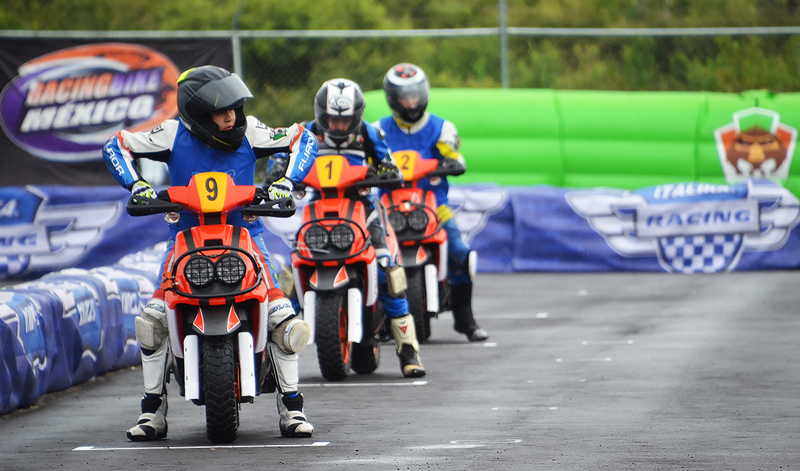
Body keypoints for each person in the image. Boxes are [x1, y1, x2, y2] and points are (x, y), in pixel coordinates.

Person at [101, 65, 318, 441]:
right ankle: (152, 412)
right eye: (220, 110)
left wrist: (287, 181)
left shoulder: (251, 131)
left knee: (284, 318)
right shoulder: (171, 134)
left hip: (248, 238)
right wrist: (136, 184)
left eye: (234, 107)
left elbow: (304, 138)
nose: (231, 115)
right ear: (197, 114)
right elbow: (115, 145)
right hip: (184, 241)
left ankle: (292, 407)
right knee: (151, 325)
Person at [275, 78, 426, 378]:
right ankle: (274, 352)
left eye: (345, 120)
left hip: (362, 208)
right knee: (290, 274)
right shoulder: (306, 133)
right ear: (320, 114)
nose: (339, 125)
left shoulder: (370, 133)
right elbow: (282, 156)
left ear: (356, 116)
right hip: (318, 209)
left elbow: (388, 162)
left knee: (387, 266)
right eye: (332, 118)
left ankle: (408, 351)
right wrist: (279, 168)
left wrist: (385, 171)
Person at [374, 63, 488, 342]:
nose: (411, 102)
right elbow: (365, 160)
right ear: (392, 98)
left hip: (434, 204)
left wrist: (452, 162)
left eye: (415, 95)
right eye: (404, 96)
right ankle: (376, 321)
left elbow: (455, 157)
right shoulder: (377, 130)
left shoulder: (442, 127)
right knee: (371, 255)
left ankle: (465, 318)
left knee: (460, 251)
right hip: (388, 207)